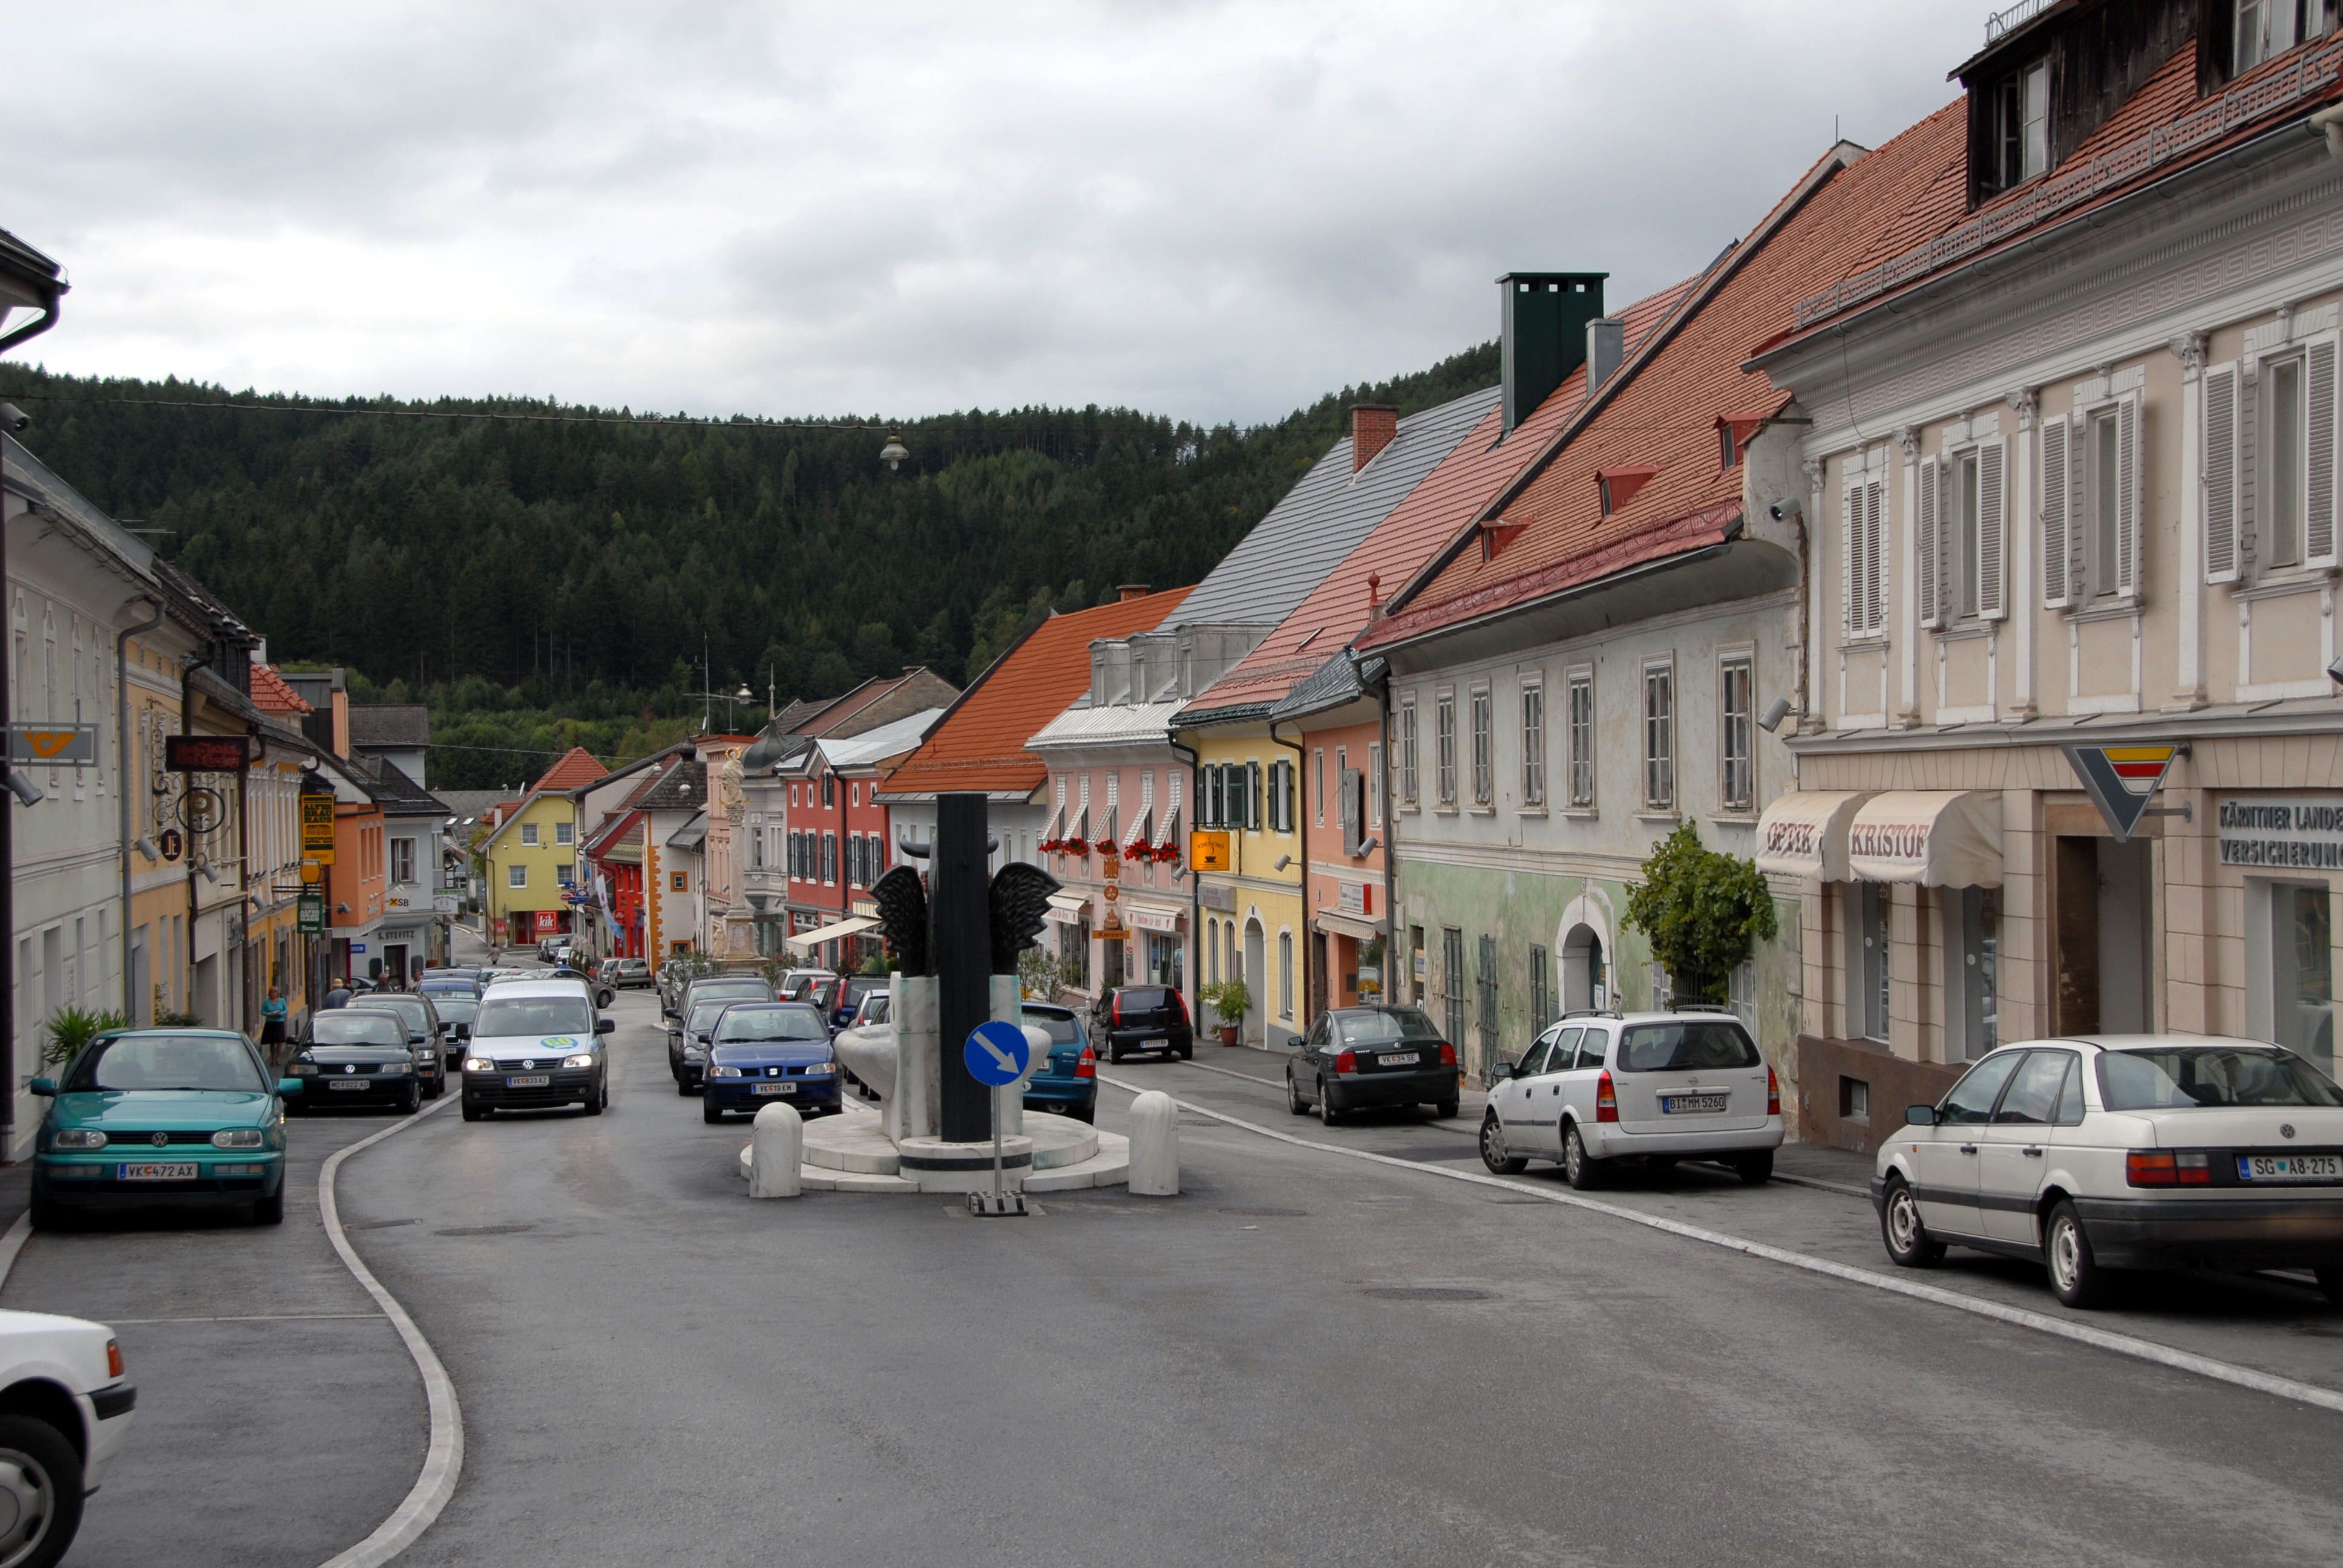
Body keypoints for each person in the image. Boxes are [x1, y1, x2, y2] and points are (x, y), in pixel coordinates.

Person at [260, 984, 288, 1048]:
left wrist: (281, 1014)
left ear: (277, 993)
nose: (274, 994)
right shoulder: (266, 1002)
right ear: (270, 993)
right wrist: (269, 1014)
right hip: (270, 1023)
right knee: (272, 1042)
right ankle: (273, 1054)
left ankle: (278, 1054)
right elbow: (262, 1012)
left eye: (275, 992)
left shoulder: (282, 1001)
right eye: (272, 992)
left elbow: (286, 1011)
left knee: (279, 1041)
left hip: (279, 1022)